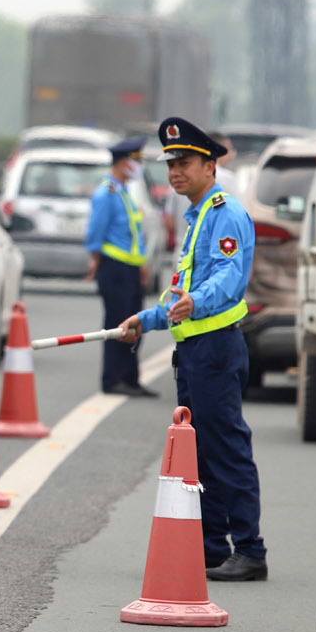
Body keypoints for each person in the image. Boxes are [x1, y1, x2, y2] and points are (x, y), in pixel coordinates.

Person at [116, 117, 267, 582]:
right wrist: (145, 319)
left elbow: (226, 278)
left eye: (184, 163)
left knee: (225, 450)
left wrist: (195, 302)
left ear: (210, 165)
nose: (175, 172)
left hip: (217, 349)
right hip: (195, 351)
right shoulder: (197, 216)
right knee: (199, 454)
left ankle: (249, 550)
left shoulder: (225, 213)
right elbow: (183, 292)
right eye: (170, 164)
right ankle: (211, 547)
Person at [84, 137, 156, 397]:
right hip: (114, 269)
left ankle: (131, 378)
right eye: (136, 161)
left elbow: (133, 235)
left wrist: (141, 265)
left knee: (135, 326)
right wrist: (95, 260)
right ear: (123, 163)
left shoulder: (123, 192)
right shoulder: (107, 193)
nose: (139, 166)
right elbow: (96, 232)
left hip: (130, 269)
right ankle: (113, 380)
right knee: (118, 327)